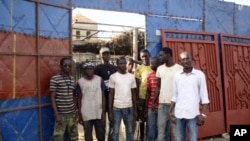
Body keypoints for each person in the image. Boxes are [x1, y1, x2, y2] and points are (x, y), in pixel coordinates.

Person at [169, 51, 210, 141]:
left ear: (192, 60)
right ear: (180, 62)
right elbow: (175, 95)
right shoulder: (177, 76)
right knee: (179, 139)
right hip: (179, 114)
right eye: (183, 59)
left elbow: (204, 96)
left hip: (193, 115)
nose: (186, 61)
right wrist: (170, 111)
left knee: (193, 139)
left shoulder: (199, 75)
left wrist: (203, 114)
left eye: (188, 58)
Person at [153, 47, 183, 141]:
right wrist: (154, 101)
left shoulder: (179, 69)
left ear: (168, 55)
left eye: (161, 55)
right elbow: (158, 86)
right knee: (161, 131)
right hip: (162, 104)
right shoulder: (160, 69)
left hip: (175, 105)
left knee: (176, 131)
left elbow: (183, 88)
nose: (160, 57)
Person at [108, 56, 137, 141]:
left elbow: (134, 94)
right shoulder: (113, 77)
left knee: (130, 131)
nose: (122, 65)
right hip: (116, 108)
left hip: (129, 108)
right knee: (116, 132)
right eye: (120, 63)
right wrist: (110, 111)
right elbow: (111, 94)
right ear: (117, 65)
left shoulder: (131, 77)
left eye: (124, 63)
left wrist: (134, 109)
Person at [75, 61, 106, 141]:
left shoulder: (99, 80)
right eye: (87, 69)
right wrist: (79, 113)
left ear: (93, 69)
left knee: (101, 135)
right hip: (86, 113)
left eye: (91, 68)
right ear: (84, 70)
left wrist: (103, 112)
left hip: (98, 112)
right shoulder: (80, 82)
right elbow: (78, 98)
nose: (89, 70)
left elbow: (103, 96)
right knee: (88, 136)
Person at [50, 57, 78, 141]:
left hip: (72, 114)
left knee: (74, 137)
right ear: (61, 66)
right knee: (58, 138)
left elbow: (73, 96)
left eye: (70, 65)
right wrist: (56, 114)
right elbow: (52, 97)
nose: (68, 67)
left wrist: (76, 111)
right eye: (65, 65)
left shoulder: (72, 79)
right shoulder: (55, 79)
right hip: (61, 114)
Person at [94, 47, 117, 140]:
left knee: (112, 122)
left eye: (107, 53)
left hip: (112, 100)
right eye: (104, 54)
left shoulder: (114, 68)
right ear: (101, 55)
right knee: (101, 123)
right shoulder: (97, 68)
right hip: (101, 100)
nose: (106, 55)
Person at [134, 49, 152, 141]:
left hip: (153, 98)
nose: (145, 58)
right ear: (140, 58)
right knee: (141, 120)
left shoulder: (154, 66)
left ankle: (149, 137)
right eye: (142, 57)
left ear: (149, 55)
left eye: (146, 55)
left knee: (151, 119)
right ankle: (141, 138)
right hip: (142, 97)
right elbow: (136, 85)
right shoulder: (139, 68)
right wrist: (137, 99)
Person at [144, 57, 160, 141]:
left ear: (158, 64)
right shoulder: (149, 76)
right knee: (151, 126)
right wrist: (146, 107)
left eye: (153, 63)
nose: (151, 65)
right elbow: (148, 92)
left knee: (160, 127)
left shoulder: (162, 74)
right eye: (150, 63)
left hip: (161, 106)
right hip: (151, 106)